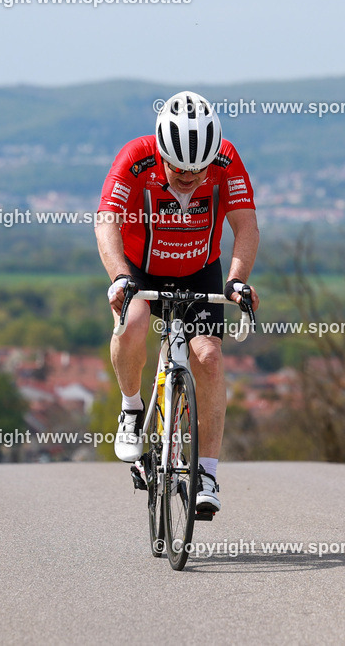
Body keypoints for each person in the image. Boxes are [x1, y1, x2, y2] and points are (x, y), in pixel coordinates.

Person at [95, 90, 260, 515]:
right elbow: (107, 221)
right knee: (132, 323)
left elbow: (245, 225)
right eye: (180, 169)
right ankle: (132, 409)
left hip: (200, 268)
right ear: (161, 152)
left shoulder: (225, 160)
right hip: (141, 269)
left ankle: (205, 472)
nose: (190, 177)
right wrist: (119, 278)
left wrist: (238, 281)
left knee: (208, 358)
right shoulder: (135, 157)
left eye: (198, 170)